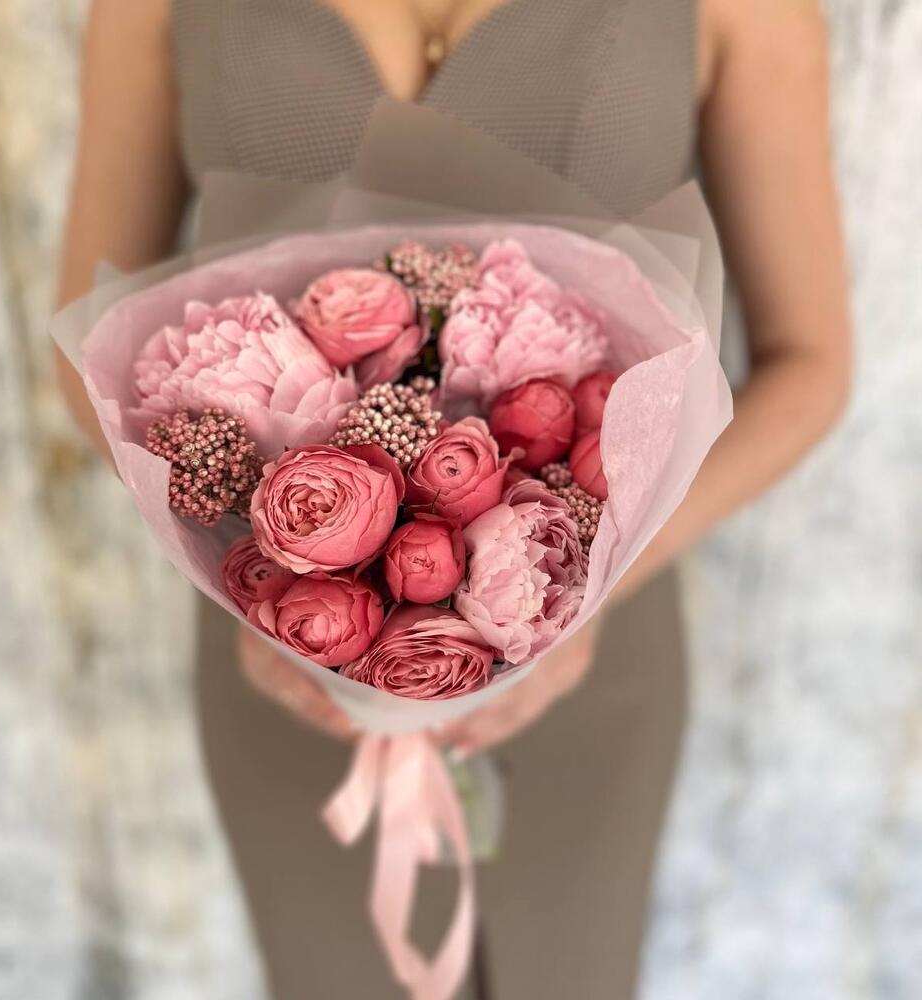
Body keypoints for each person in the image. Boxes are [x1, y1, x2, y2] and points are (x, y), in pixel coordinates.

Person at [56, 1, 851, 997]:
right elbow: (89, 355)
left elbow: (808, 362)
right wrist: (244, 564)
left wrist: (588, 585)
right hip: (286, 650)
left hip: (596, 658)